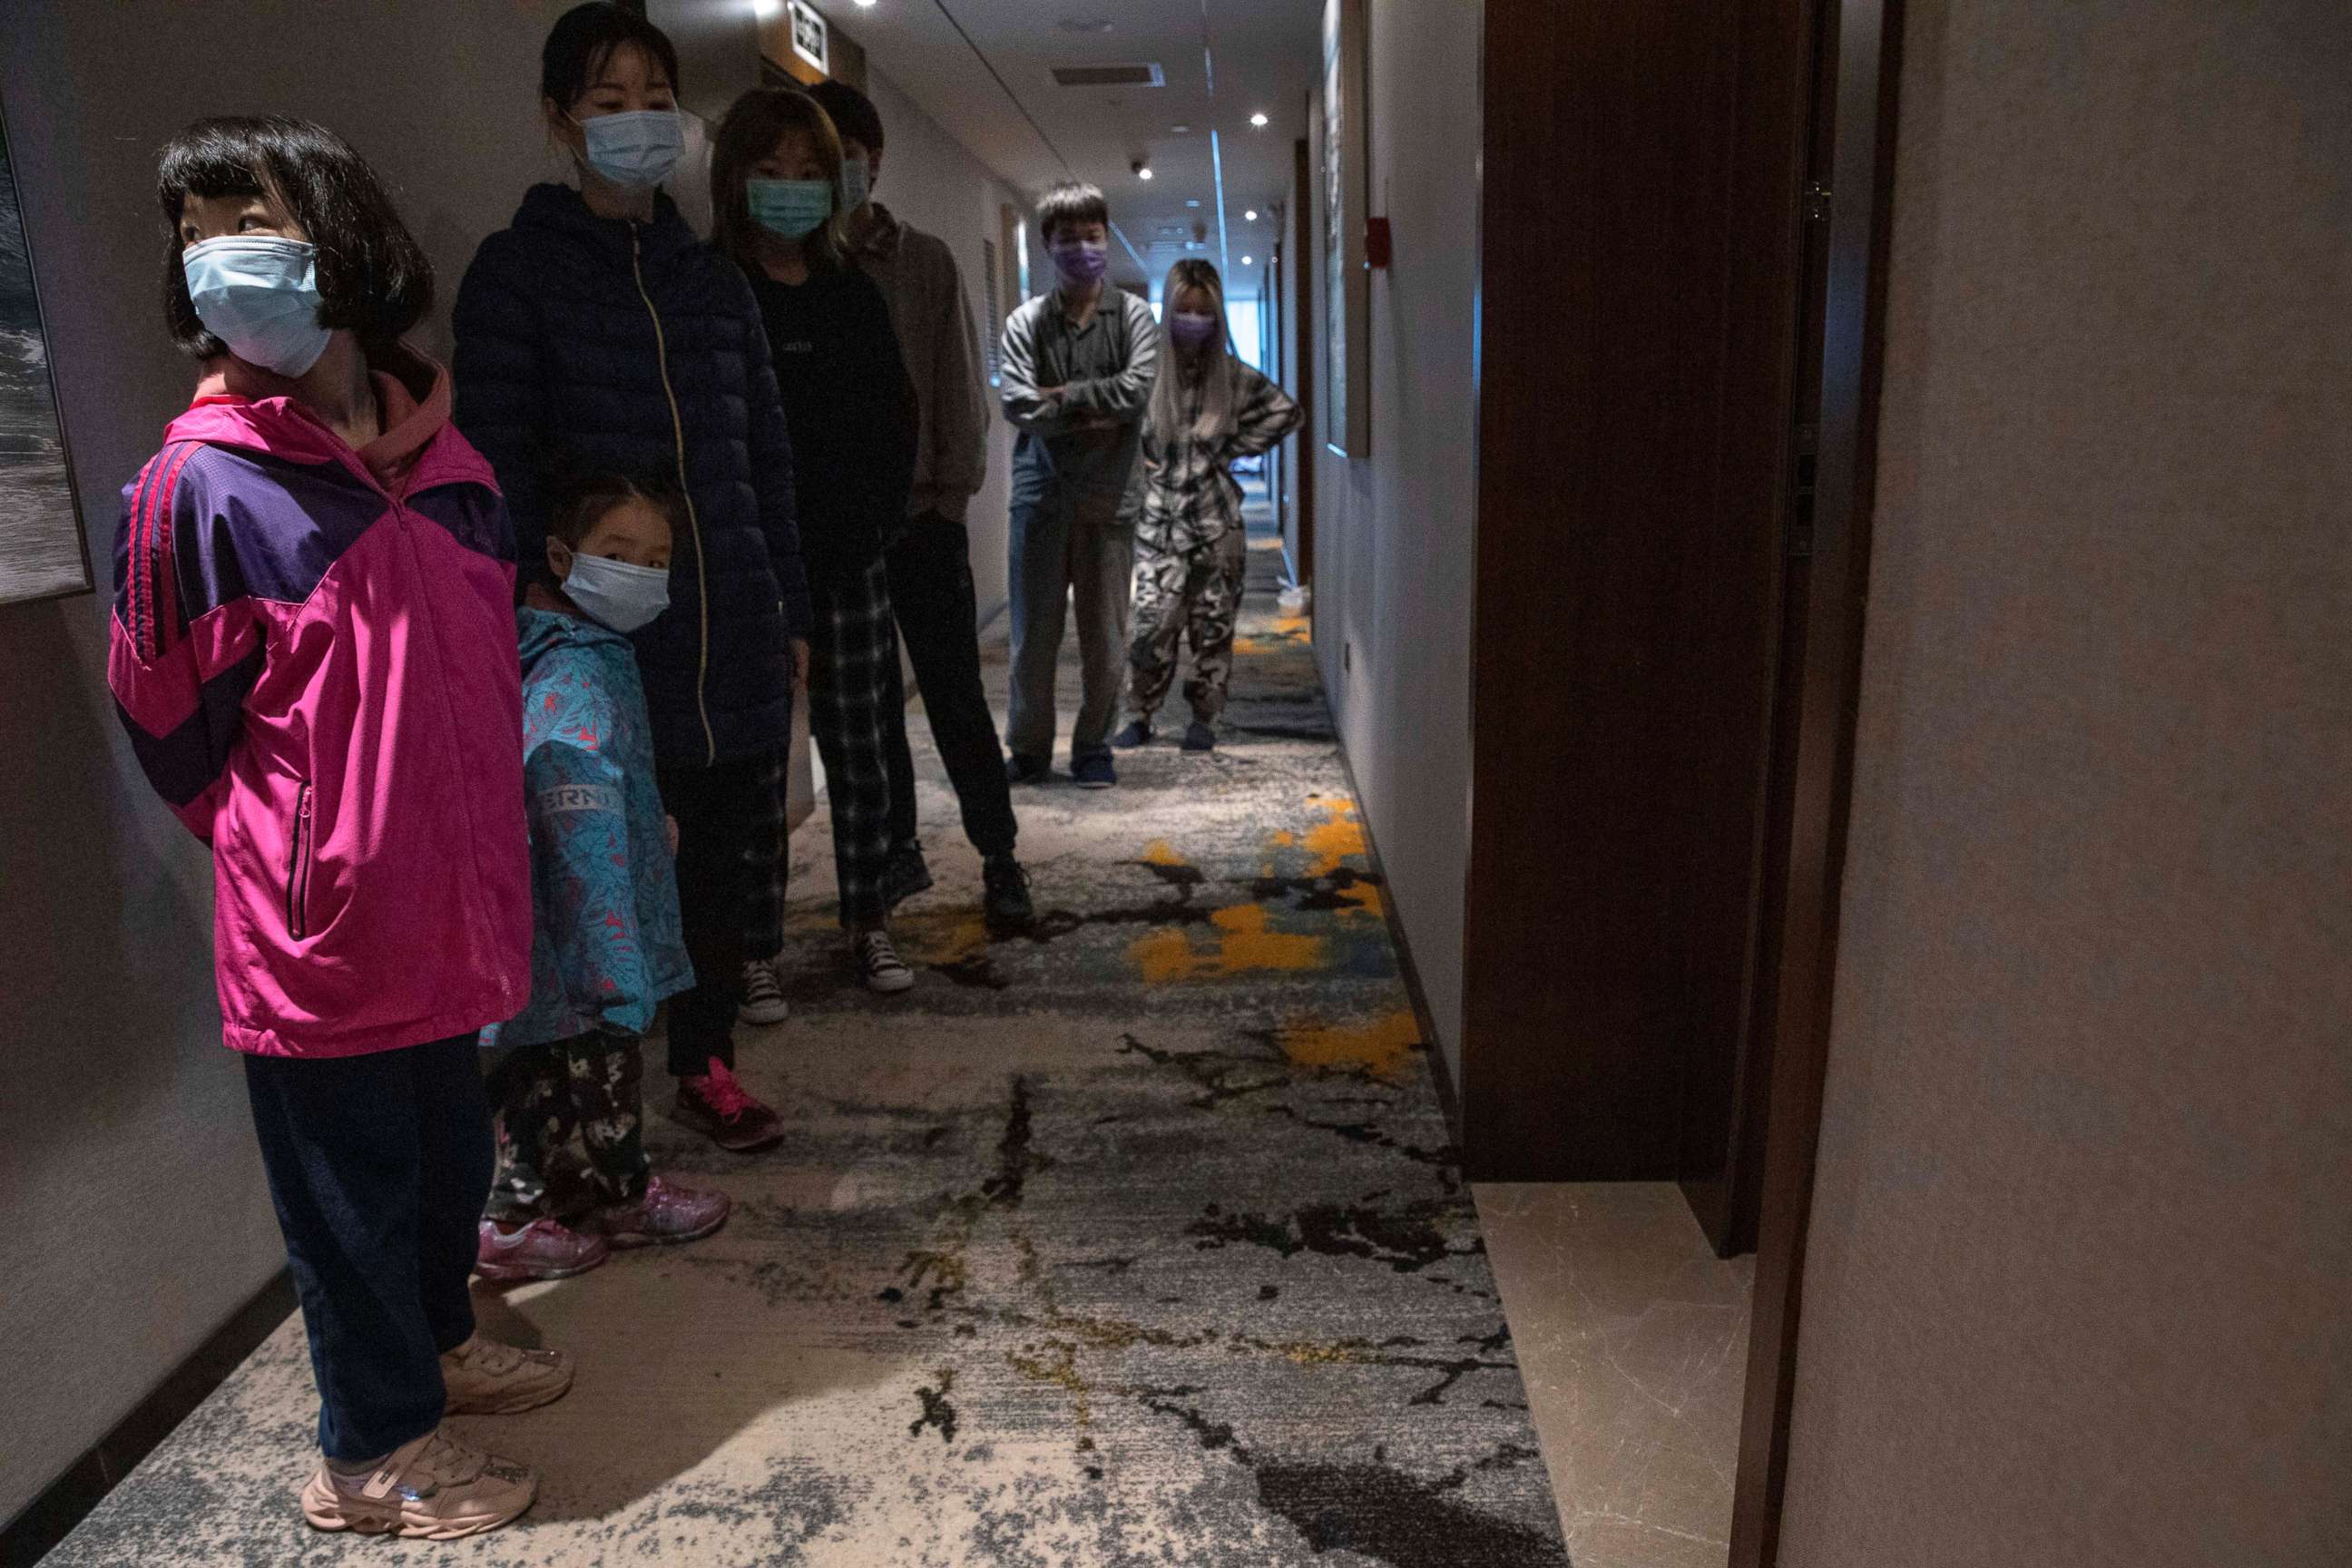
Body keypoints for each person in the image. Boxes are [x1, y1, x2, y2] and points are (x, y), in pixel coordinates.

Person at [111, 115, 552, 1539]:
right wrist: (299, 854)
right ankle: (371, 1453)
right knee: (350, 1201)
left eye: (256, 217)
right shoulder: (198, 489)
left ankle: (437, 1350)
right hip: (324, 936)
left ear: (348, 238)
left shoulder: (453, 456)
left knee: (445, 1164)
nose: (223, 257)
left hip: (454, 903)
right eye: (199, 232)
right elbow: (171, 726)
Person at [454, 2, 809, 1152]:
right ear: (562, 120)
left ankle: (708, 1063)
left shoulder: (715, 285)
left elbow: (764, 457)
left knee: (714, 864)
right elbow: (496, 466)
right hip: (595, 629)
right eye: (611, 103)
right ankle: (587, 1128)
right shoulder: (517, 276)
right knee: (596, 875)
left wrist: (786, 603)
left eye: (658, 100)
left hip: (725, 615)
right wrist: (535, 616)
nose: (640, 123)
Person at [475, 474, 733, 1284]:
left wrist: (647, 828)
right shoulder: (574, 676)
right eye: (617, 554)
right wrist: (611, 960)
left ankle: (535, 1205)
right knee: (595, 1063)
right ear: (561, 556)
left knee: (540, 1071)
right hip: (589, 937)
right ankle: (594, 1198)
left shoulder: (571, 653)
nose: (641, 574)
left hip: (567, 935)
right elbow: (573, 804)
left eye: (656, 560)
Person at [806, 78, 1034, 932]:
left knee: (952, 694)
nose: (834, 176)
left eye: (846, 159)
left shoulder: (926, 261)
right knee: (864, 712)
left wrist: (945, 498)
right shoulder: (795, 267)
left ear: (875, 161)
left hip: (923, 519)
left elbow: (959, 391)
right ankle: (893, 852)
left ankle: (999, 852)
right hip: (838, 529)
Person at [999, 181, 1161, 789]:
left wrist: (1063, 397)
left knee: (1106, 640)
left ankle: (1094, 747)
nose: (1082, 250)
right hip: (1040, 501)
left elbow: (1136, 391)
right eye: (1068, 239)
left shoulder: (1134, 318)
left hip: (1109, 502)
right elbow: (1017, 403)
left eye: (1092, 238)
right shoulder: (1025, 323)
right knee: (1032, 640)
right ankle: (1030, 749)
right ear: (1048, 245)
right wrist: (1097, 410)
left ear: (1106, 239)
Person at [1115, 260, 1304, 752]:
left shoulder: (1234, 377)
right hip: (1158, 524)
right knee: (1150, 628)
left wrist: (1230, 446)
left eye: (1203, 312)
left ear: (1216, 316)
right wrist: (1136, 458)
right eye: (1184, 310)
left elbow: (1287, 413)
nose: (1193, 320)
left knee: (1213, 630)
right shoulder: (1147, 372)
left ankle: (1204, 719)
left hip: (1217, 524)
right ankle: (1140, 713)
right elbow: (1114, 421)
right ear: (1169, 310)